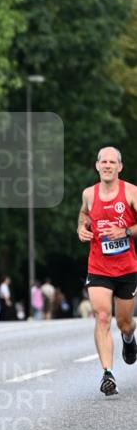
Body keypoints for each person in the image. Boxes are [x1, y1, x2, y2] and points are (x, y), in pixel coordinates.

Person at [77, 146, 137, 395]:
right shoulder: (89, 194)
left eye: (113, 162)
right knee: (102, 316)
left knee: (124, 322)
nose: (108, 165)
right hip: (99, 266)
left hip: (127, 267)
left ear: (120, 167)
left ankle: (129, 339)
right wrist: (81, 227)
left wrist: (125, 231)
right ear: (97, 165)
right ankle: (108, 374)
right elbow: (83, 215)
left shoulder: (131, 192)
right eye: (104, 161)